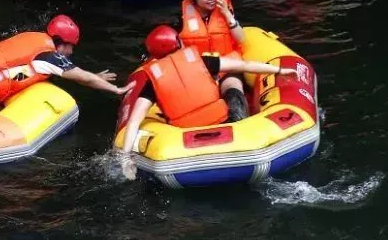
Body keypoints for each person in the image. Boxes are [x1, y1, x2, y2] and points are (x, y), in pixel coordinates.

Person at [118, 25, 297, 179]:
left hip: (184, 142)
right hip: (228, 127)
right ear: (178, 44)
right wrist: (278, 70)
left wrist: (126, 158)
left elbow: (134, 121)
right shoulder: (203, 61)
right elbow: (244, 66)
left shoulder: (152, 83)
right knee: (233, 84)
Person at [0, 15, 132, 124]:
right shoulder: (49, 54)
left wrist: (94, 76)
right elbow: (80, 76)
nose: (70, 52)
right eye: (71, 46)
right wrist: (116, 90)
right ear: (62, 43)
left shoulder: (31, 38)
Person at [179, 0, 250, 121]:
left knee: (233, 90)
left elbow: (241, 38)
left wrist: (227, 15)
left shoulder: (225, 8)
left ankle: (239, 123)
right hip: (199, 70)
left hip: (227, 66)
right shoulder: (181, 17)